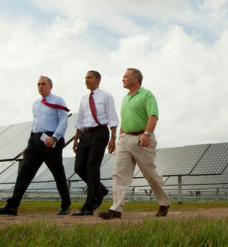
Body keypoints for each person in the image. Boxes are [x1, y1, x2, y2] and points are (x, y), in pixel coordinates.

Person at [0, 76, 72, 216]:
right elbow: (35, 125)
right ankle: (12, 206)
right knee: (24, 174)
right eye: (38, 84)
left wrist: (55, 138)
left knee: (58, 173)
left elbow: (63, 121)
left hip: (50, 140)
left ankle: (65, 204)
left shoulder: (58, 101)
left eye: (43, 84)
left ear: (50, 86)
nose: (40, 86)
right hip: (35, 141)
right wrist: (28, 145)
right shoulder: (36, 104)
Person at [99, 68, 170, 219]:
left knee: (149, 173)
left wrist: (147, 134)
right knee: (119, 174)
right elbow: (124, 121)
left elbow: (153, 115)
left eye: (125, 77)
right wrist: (119, 139)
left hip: (142, 139)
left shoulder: (146, 94)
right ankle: (116, 209)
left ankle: (164, 202)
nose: (122, 79)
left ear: (136, 79)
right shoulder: (125, 99)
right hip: (125, 140)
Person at [71, 70, 118, 216]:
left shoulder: (106, 96)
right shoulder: (84, 99)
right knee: (79, 167)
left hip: (100, 132)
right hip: (86, 134)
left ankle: (89, 205)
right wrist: (76, 138)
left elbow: (112, 117)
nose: (86, 80)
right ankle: (101, 190)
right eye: (85, 78)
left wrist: (113, 137)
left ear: (98, 79)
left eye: (89, 78)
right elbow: (80, 121)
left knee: (92, 167)